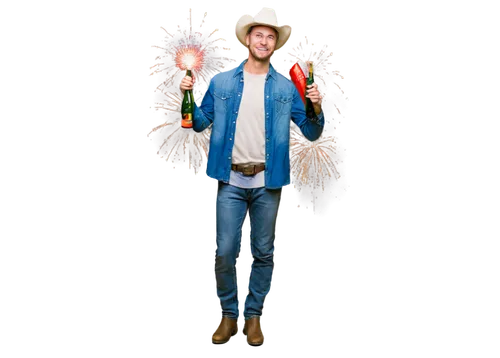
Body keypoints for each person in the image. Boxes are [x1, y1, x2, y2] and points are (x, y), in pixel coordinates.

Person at [179, 6, 326, 348]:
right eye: (258, 34)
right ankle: (229, 315)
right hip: (230, 180)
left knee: (263, 251)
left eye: (270, 36)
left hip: (268, 182)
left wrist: (316, 107)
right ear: (247, 40)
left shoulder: (288, 87)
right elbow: (198, 123)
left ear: (275, 44)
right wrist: (188, 93)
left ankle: (255, 317)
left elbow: (311, 131)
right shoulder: (222, 81)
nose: (264, 40)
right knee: (227, 250)